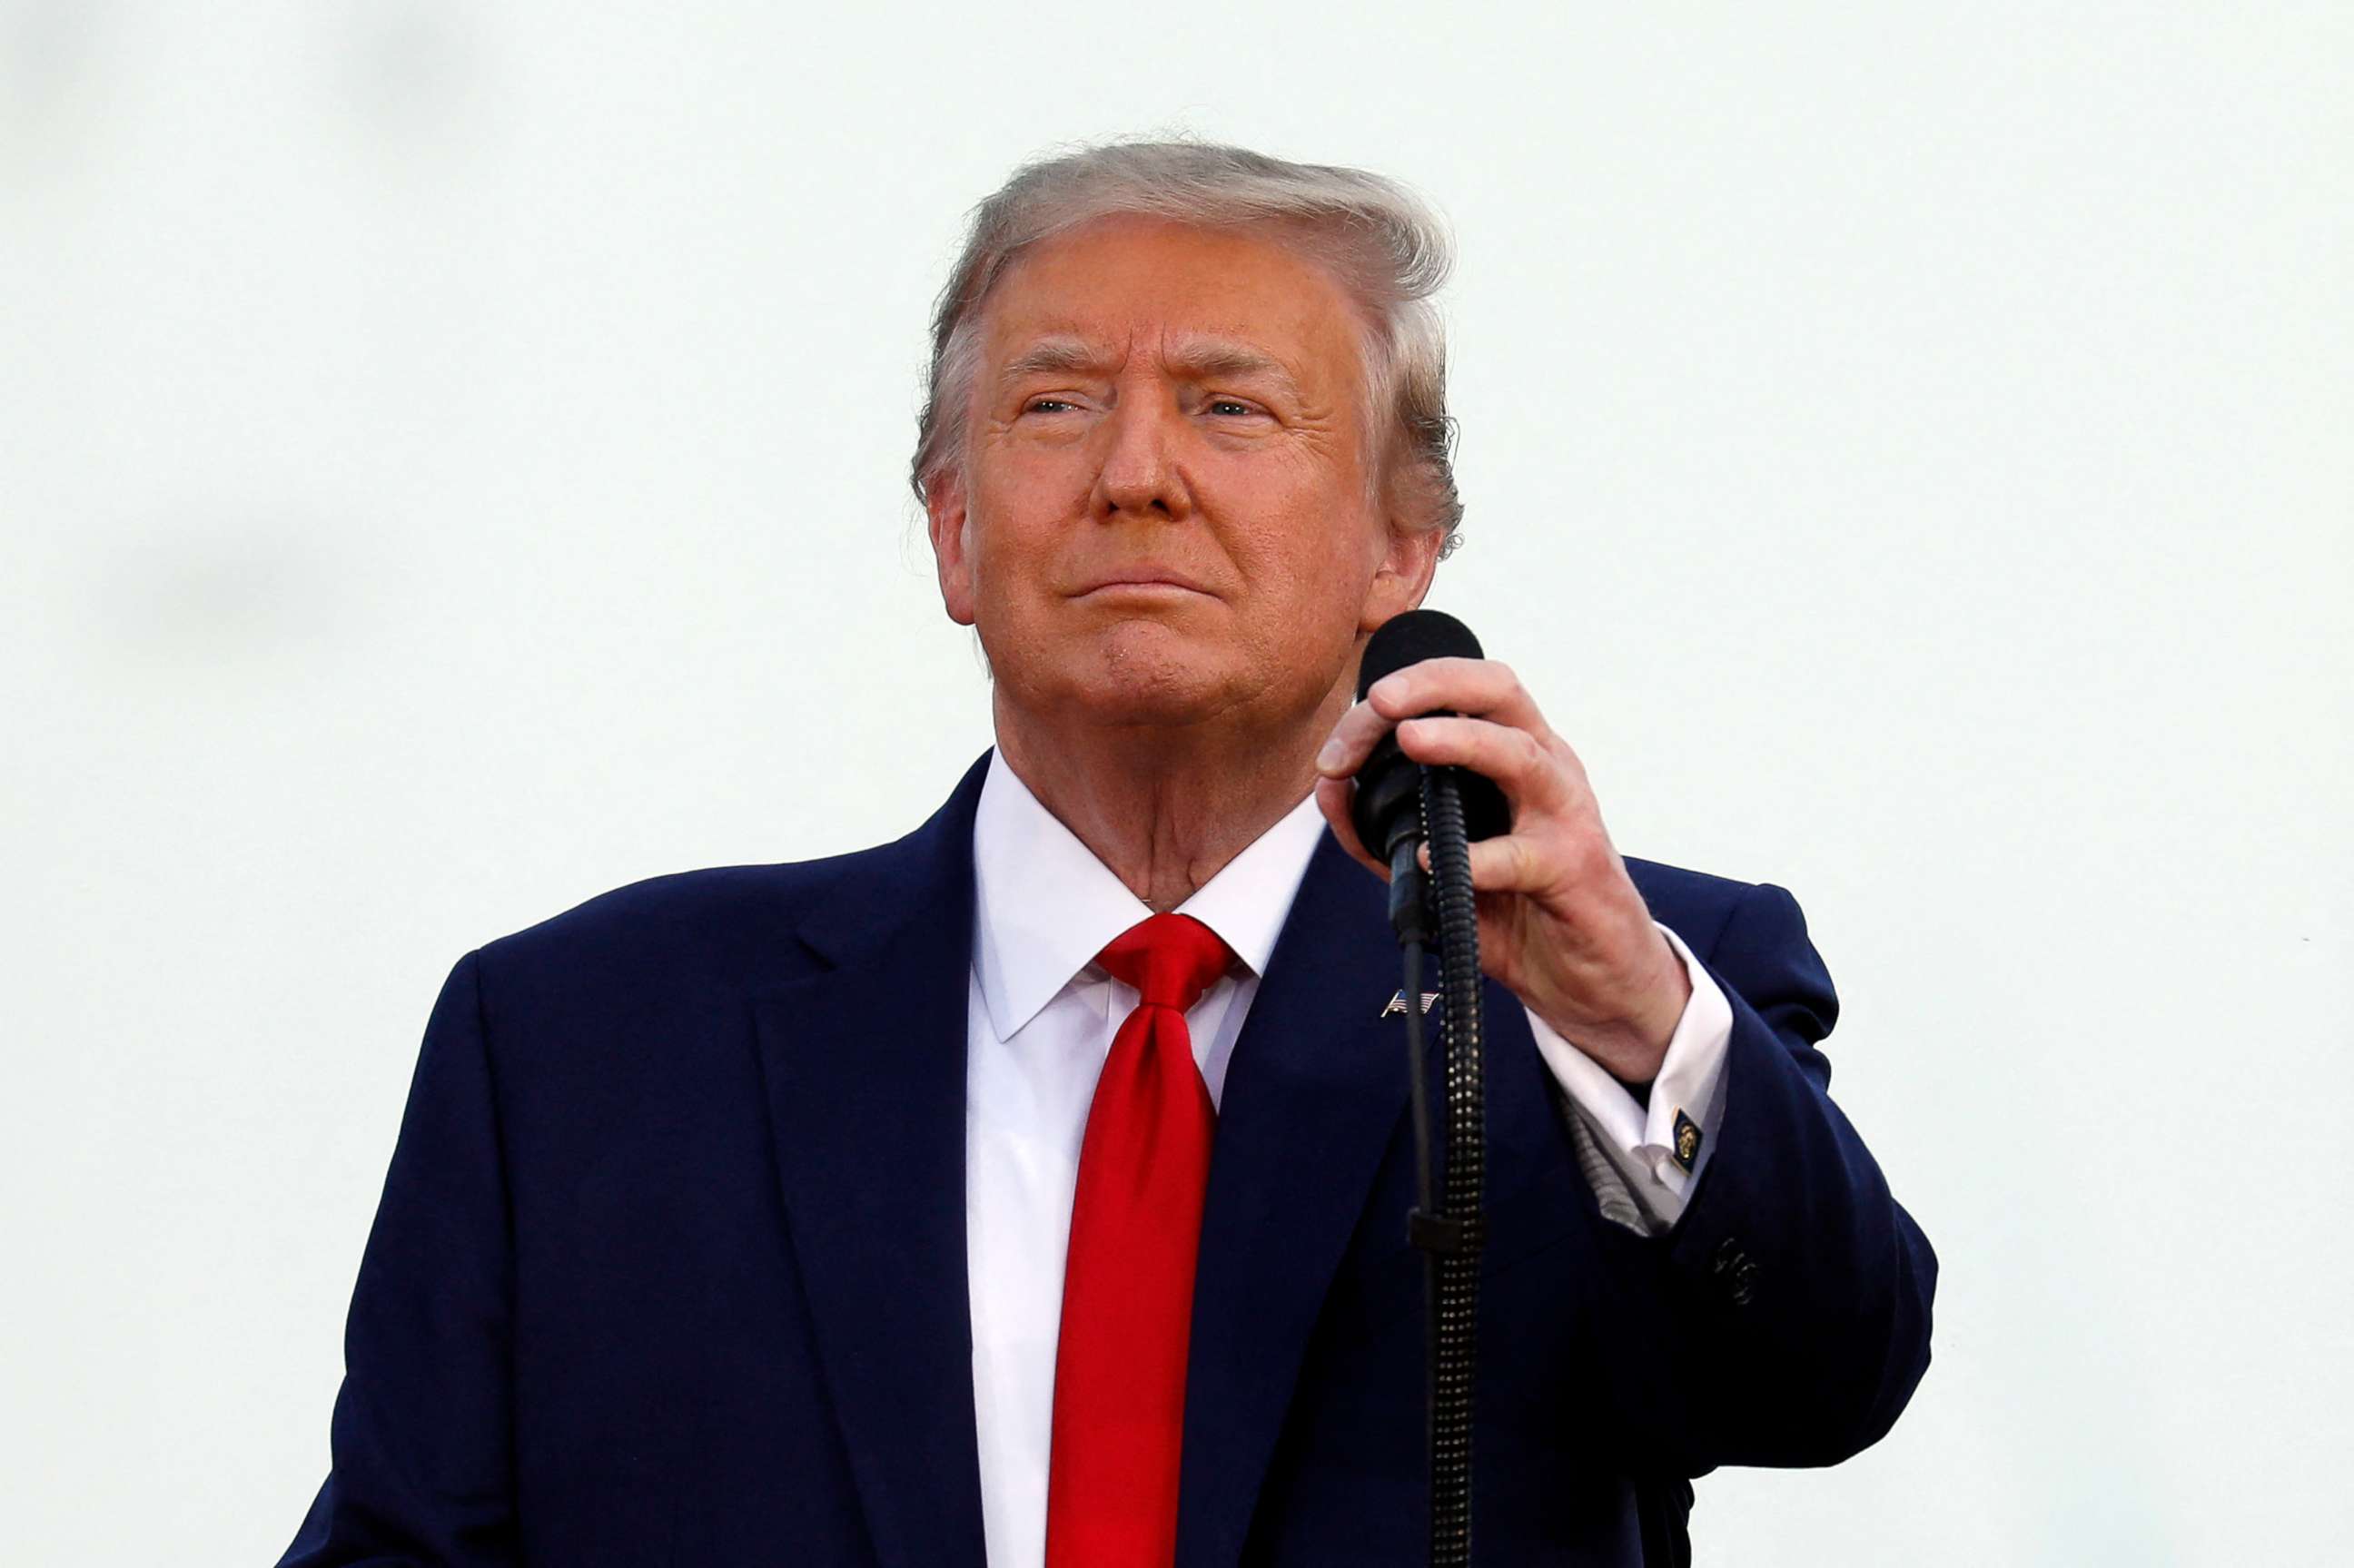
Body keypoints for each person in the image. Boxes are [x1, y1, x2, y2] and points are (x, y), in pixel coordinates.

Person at [276, 139, 1936, 1567]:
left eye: (1232, 407)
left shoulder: (1613, 1003)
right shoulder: (585, 1045)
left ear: (1399, 548)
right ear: (954, 531)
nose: (1136, 477)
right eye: (1058, 405)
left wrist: (1626, 1003)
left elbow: (1824, 1384)